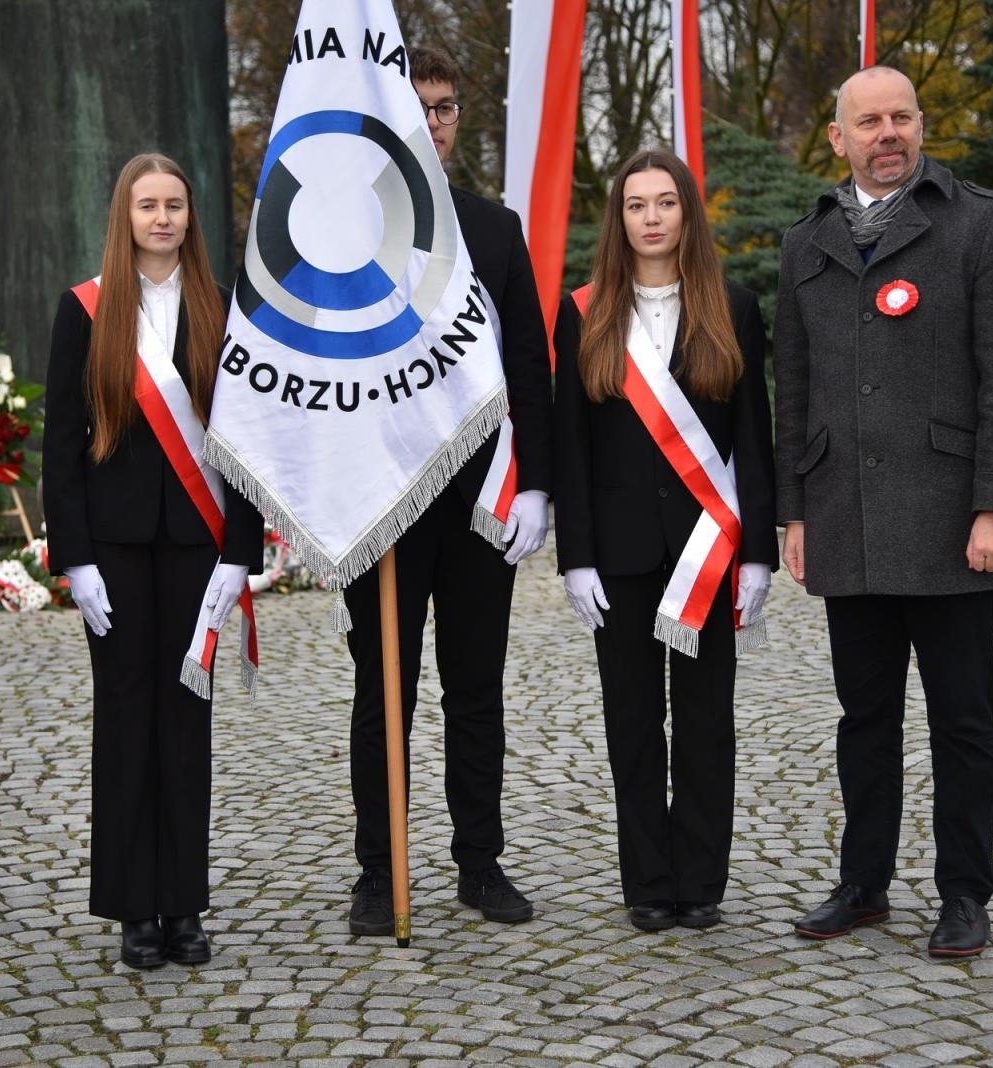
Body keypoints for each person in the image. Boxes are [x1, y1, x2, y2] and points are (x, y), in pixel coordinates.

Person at [773, 66, 993, 956]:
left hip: (951, 520)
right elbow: (795, 387)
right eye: (868, 121)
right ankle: (864, 883)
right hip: (843, 516)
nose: (887, 133)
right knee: (864, 719)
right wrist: (794, 511)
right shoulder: (804, 242)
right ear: (838, 137)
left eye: (901, 117)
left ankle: (964, 893)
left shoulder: (982, 223)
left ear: (921, 127)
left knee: (962, 721)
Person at [342, 46, 554, 936]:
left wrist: (537, 483)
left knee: (476, 689)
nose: (434, 122)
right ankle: (378, 872)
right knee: (380, 693)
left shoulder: (495, 229)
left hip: (478, 500)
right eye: (417, 107)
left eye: (446, 107)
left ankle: (480, 860)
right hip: (383, 502)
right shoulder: (345, 231)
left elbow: (529, 367)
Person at [43, 153, 262, 970]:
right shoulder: (86, 310)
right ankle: (135, 907)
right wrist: (75, 559)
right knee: (126, 722)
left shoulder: (223, 307)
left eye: (175, 204)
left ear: (190, 217)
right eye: (147, 205)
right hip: (115, 549)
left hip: (199, 546)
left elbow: (246, 443)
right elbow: (60, 444)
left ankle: (184, 905)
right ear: (124, 217)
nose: (162, 217)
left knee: (186, 721)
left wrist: (240, 551)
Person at [553, 149, 776, 932]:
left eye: (666, 203)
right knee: (633, 723)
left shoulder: (734, 307)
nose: (651, 218)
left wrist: (757, 553)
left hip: (708, 551)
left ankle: (700, 883)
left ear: (688, 214)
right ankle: (648, 882)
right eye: (636, 205)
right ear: (619, 219)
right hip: (618, 558)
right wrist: (575, 556)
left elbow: (755, 438)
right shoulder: (582, 313)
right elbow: (569, 445)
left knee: (708, 724)